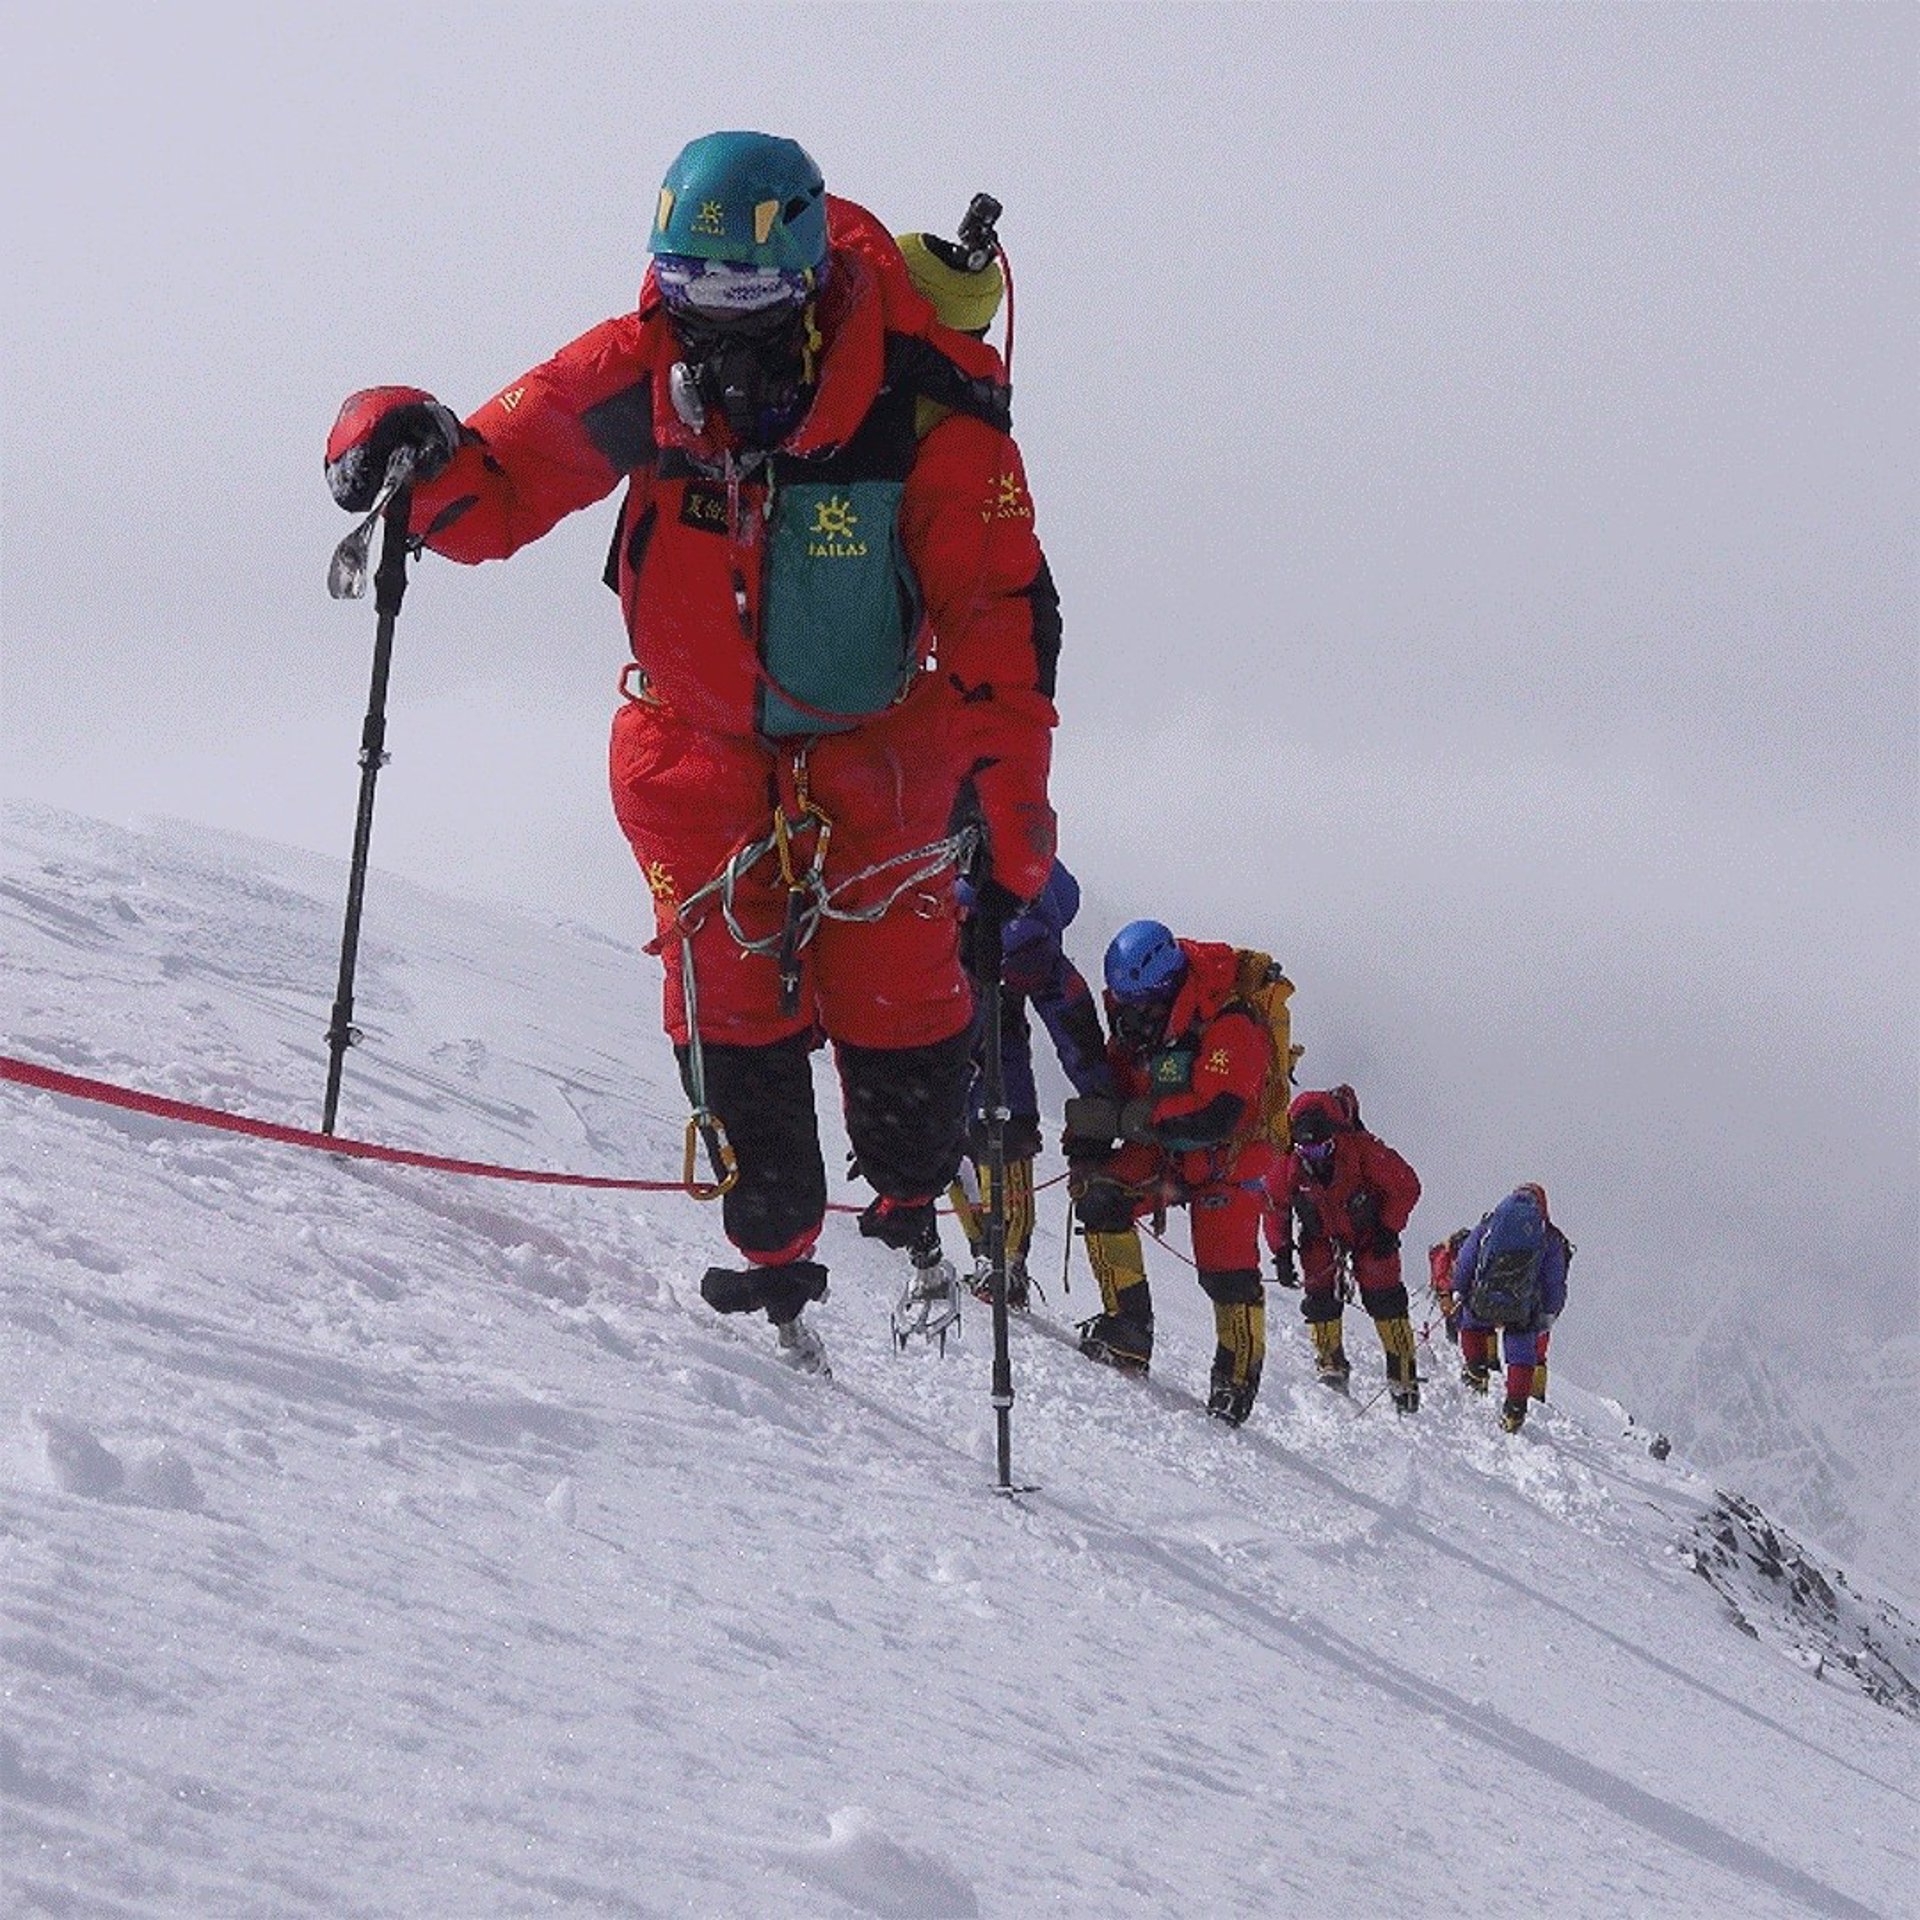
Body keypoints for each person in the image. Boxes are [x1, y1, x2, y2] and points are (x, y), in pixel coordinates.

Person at [324, 133, 1060, 1373]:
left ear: (806, 270)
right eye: (685, 280)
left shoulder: (924, 401)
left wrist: (1012, 804)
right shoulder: (643, 366)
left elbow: (997, 612)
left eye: (741, 284)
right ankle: (776, 1244)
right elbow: (503, 479)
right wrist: (410, 454)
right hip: (695, 753)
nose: (710, 313)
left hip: (881, 753)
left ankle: (909, 1194)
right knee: (727, 1004)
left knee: (903, 1006)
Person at [1061, 920, 1281, 1427]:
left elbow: (1216, 1114)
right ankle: (1127, 1330)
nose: (1132, 1014)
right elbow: (1120, 1079)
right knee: (1099, 1195)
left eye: (1142, 1003)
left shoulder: (1230, 1021)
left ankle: (1234, 1384)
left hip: (1227, 1161)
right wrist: (1087, 1137)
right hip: (1165, 1151)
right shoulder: (1139, 1019)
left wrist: (1138, 1119)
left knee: (1228, 1277)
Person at [949, 859, 1113, 1311]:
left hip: (982, 1044)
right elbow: (1074, 1029)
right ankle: (998, 1259)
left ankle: (1001, 1260)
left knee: (994, 1136)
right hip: (971, 1039)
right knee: (981, 1138)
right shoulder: (963, 912)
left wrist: (1099, 1102)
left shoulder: (1034, 944)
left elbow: (1074, 1032)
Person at [1268, 1087, 1423, 1411]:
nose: (1314, 1154)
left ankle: (1403, 1379)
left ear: (1335, 1136)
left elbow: (1406, 1185)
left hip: (1371, 1233)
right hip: (1320, 1235)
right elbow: (1274, 1206)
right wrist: (1281, 1251)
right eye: (1306, 1148)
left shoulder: (1363, 1149)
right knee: (1319, 1298)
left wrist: (1389, 1228)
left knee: (1385, 1299)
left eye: (1321, 1147)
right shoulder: (1288, 1164)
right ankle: (1330, 1367)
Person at [1443, 1184, 1571, 1432]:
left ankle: (1476, 1372)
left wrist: (1458, 1288)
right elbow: (1553, 1282)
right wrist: (1549, 1314)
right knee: (1522, 1354)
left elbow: (1467, 1258)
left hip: (1484, 1298)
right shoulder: (1549, 1236)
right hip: (1523, 1307)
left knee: (1472, 1324)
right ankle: (1515, 1409)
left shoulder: (1491, 1224)